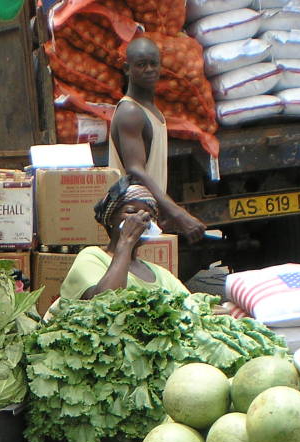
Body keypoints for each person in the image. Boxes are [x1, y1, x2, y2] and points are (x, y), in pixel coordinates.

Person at [109, 35, 205, 244]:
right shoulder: (130, 112)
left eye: (154, 64)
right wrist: (176, 212)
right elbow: (135, 169)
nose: (149, 70)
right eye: (141, 65)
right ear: (127, 69)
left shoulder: (151, 111)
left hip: (146, 220)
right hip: (131, 222)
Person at [58, 176, 189, 301]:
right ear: (111, 219)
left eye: (149, 216)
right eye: (131, 212)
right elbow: (105, 303)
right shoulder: (92, 257)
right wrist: (127, 241)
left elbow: (192, 307)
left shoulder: (161, 274)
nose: (141, 219)